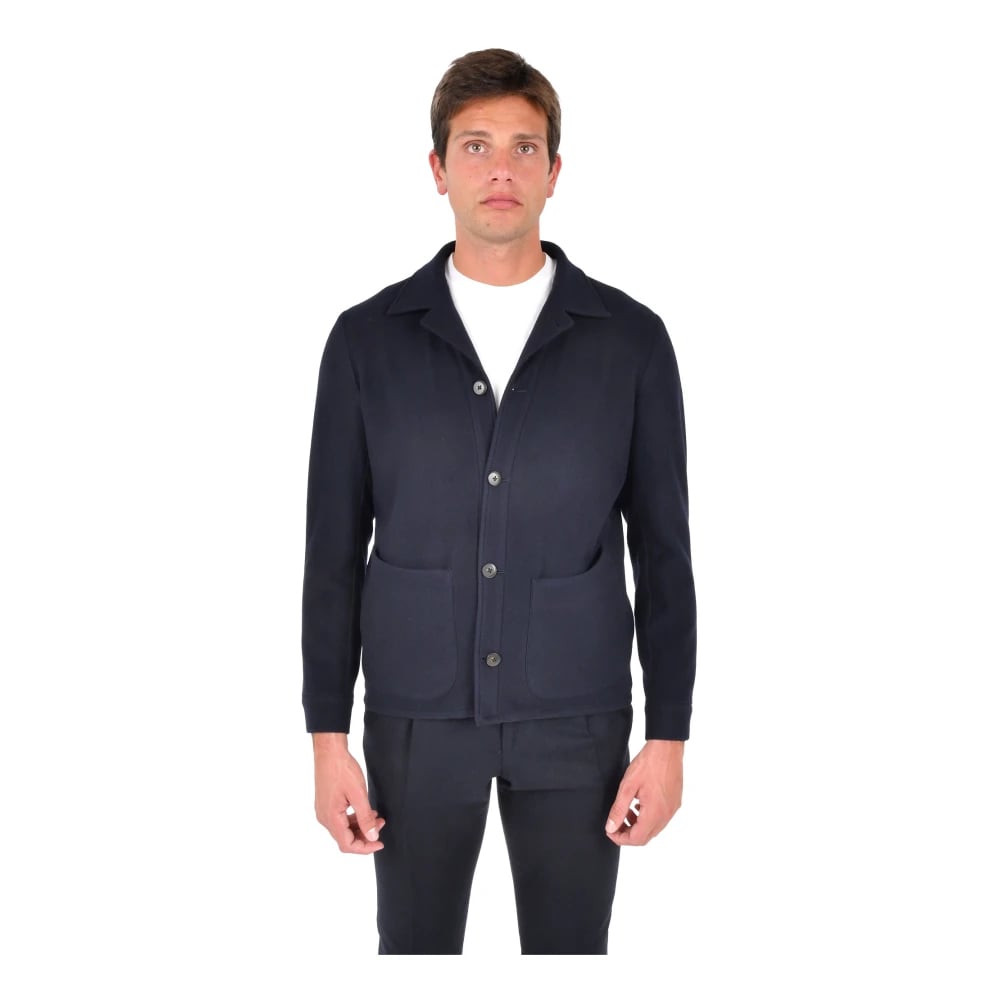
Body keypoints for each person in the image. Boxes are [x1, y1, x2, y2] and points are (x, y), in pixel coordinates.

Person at [301, 48, 697, 955]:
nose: (501, 170)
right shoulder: (365, 342)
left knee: (569, 957)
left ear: (555, 171)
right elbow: (331, 554)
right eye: (475, 147)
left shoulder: (632, 342)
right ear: (437, 169)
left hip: (577, 718)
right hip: (414, 717)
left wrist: (669, 738)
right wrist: (327, 739)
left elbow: (664, 553)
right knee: (414, 955)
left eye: (524, 148)